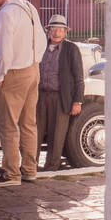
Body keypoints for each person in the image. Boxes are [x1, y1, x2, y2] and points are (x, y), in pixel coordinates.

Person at [0, 0, 46, 187]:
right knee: (29, 124)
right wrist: (35, 61)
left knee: (8, 125)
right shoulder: (29, 7)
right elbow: (41, 39)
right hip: (32, 70)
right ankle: (30, 170)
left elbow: (3, 49)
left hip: (13, 73)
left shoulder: (6, 13)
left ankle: (11, 174)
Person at [36, 14, 85, 171]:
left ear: (65, 32)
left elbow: (79, 77)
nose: (56, 33)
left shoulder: (71, 49)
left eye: (60, 30)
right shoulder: (40, 46)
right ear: (48, 30)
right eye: (53, 29)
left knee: (57, 134)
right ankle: (30, 165)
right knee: (34, 132)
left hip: (61, 97)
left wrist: (77, 101)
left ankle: (52, 166)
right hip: (39, 96)